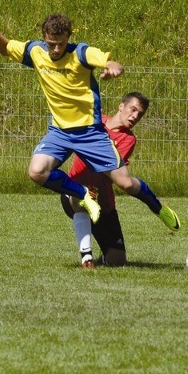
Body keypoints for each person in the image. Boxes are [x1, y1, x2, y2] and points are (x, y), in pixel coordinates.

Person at [0, 10, 179, 233]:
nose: (56, 49)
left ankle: (158, 208)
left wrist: (113, 69)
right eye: (51, 44)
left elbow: (111, 62)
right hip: (60, 132)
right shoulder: (35, 51)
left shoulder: (81, 53)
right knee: (36, 171)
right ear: (44, 38)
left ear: (68, 38)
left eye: (61, 43)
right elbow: (4, 47)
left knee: (126, 183)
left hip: (91, 133)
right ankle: (84, 194)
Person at [61, 92, 151, 268]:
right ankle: (86, 257)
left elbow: (106, 168)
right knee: (85, 195)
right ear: (121, 106)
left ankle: (103, 259)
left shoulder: (128, 139)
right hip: (74, 191)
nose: (135, 116)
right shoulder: (96, 122)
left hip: (105, 204)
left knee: (117, 261)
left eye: (140, 114)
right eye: (133, 110)